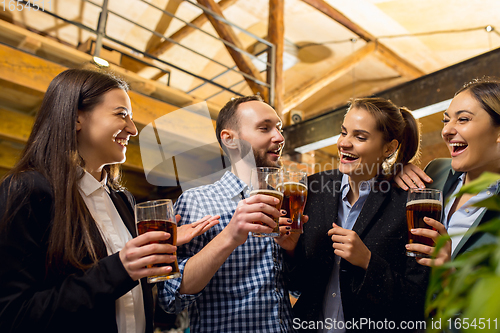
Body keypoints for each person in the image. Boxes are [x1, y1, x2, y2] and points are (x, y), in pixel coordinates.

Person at [0, 68, 218, 333]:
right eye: (121, 115)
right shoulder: (26, 191)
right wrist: (121, 268)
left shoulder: (122, 200)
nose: (133, 129)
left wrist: (154, 253)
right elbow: (13, 315)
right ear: (76, 118)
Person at [283, 97, 430, 332]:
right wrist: (290, 250)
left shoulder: (408, 204)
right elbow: (296, 284)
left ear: (389, 148)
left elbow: (416, 302)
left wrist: (368, 262)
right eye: (344, 132)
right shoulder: (311, 188)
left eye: (360, 137)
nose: (344, 143)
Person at [158, 95, 297, 332]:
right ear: (230, 139)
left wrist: (294, 251)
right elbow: (170, 298)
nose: (280, 138)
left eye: (279, 128)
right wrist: (230, 236)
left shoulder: (288, 203)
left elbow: (297, 289)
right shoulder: (196, 202)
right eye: (265, 128)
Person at [397, 78, 500, 266]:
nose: (446, 130)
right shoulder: (436, 170)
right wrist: (394, 171)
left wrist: (448, 273)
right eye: (446, 120)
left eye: (463, 119)